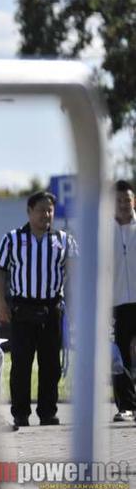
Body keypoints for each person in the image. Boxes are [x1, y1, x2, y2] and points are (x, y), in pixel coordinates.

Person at [0, 191, 77, 427]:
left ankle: (48, 412)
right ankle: (20, 413)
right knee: (21, 363)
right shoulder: (12, 239)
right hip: (22, 308)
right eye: (40, 210)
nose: (46, 215)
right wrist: (0, 302)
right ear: (29, 211)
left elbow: (77, 272)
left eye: (49, 210)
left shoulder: (64, 240)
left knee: (51, 364)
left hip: (51, 308)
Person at [112, 180, 136, 421]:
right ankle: (127, 406)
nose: (123, 205)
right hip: (116, 303)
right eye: (118, 201)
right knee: (119, 357)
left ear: (134, 201)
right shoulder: (103, 233)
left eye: (127, 200)